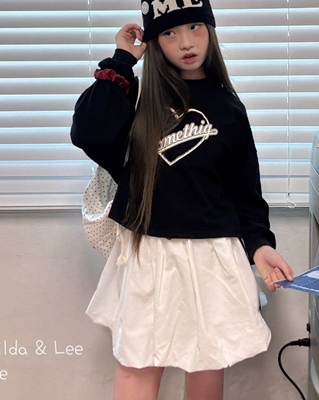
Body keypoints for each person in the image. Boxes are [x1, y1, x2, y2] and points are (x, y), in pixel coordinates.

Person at [71, 1, 293, 399]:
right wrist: (122, 61)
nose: (186, 43)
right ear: (155, 41)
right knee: (136, 366)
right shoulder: (138, 103)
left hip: (213, 256)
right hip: (148, 254)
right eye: (170, 32)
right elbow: (88, 132)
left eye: (195, 27)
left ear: (210, 29)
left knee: (206, 368)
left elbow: (245, 192)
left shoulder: (228, 108)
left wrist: (260, 245)